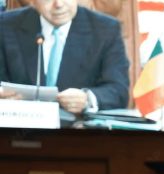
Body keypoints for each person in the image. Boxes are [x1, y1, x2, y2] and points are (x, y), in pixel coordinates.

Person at [0, 0, 130, 114]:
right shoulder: (5, 26)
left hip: (77, 128)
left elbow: (118, 90)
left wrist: (87, 99)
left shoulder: (106, 29)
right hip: (20, 127)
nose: (58, 4)